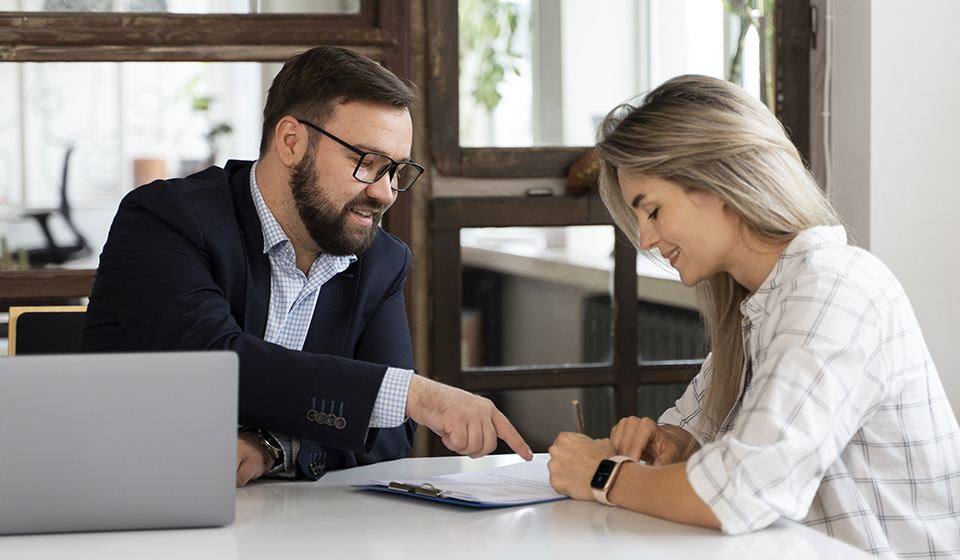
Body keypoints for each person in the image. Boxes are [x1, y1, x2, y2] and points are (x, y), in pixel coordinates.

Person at [547, 75, 960, 559]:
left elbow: (743, 490)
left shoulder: (833, 289)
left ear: (718, 181)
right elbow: (690, 429)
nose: (646, 240)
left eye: (653, 210)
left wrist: (604, 476)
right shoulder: (758, 307)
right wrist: (666, 444)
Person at [82, 46, 532, 487]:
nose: (386, 193)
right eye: (367, 162)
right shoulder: (166, 218)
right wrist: (412, 392)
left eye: (396, 171)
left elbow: (393, 432)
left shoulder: (380, 260)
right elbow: (213, 363)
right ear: (292, 142)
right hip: (129, 496)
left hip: (290, 524)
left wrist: (274, 448)